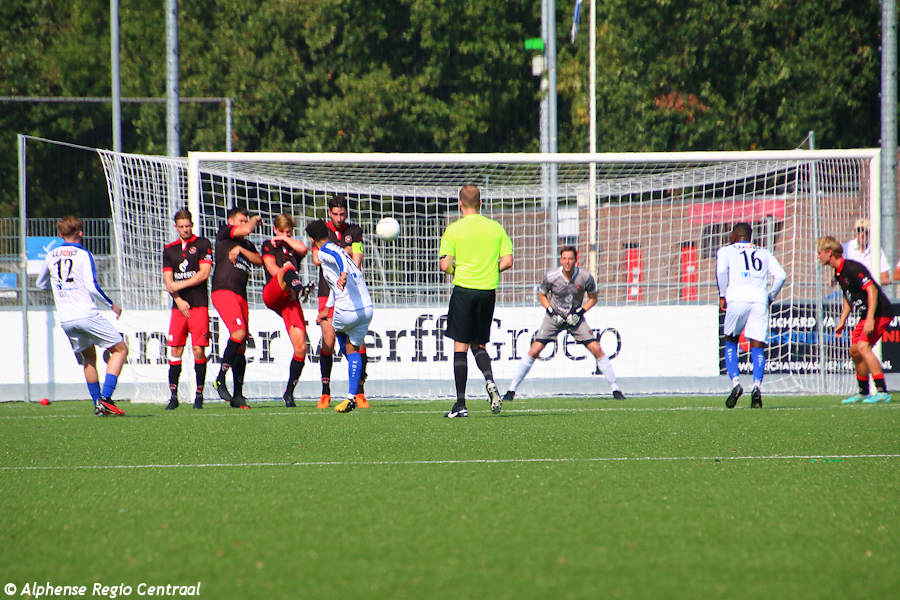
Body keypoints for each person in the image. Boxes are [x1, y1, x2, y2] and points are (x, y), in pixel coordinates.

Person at [503, 246, 624, 402]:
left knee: (596, 348)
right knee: (535, 349)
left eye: (570, 259)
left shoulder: (585, 277)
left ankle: (615, 388)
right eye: (564, 258)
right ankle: (511, 390)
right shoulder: (551, 276)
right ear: (560, 260)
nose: (567, 262)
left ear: (575, 260)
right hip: (554, 318)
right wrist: (551, 312)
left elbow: (593, 298)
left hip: (575, 318)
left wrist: (579, 313)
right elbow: (542, 295)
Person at [36, 216, 129, 416]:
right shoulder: (84, 254)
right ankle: (105, 399)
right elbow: (92, 286)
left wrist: (60, 290)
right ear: (81, 233)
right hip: (86, 314)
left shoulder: (51, 255)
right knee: (120, 350)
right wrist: (112, 304)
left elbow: (40, 284)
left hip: (66, 318)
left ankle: (98, 404)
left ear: (60, 235)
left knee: (89, 357)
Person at [439, 184, 513, 418]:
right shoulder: (496, 228)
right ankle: (489, 380)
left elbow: (444, 265)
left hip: (464, 290)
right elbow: (508, 261)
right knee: (478, 344)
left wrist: (457, 270)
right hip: (487, 291)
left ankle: (461, 404)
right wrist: (489, 270)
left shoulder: (454, 229)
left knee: (460, 346)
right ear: (481, 203)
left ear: (459, 204)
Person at [305, 219, 373, 413]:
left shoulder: (325, 250)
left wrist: (343, 273)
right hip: (367, 308)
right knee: (355, 349)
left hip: (348, 310)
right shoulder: (340, 248)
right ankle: (353, 393)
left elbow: (338, 258)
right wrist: (327, 308)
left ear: (312, 240)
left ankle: (354, 373)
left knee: (340, 339)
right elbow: (335, 285)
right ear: (327, 233)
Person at [716, 222, 786, 409]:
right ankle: (756, 386)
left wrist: (722, 295)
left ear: (734, 236)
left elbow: (721, 272)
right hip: (759, 300)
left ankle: (736, 383)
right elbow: (781, 275)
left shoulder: (726, 251)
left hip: (737, 299)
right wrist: (770, 296)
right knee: (758, 345)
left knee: (731, 340)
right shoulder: (763, 252)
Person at [816, 236, 893, 404]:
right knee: (855, 350)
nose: (818, 256)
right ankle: (863, 392)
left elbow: (872, 290)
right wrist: (843, 320)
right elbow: (848, 296)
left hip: (880, 312)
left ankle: (882, 391)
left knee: (863, 347)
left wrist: (871, 318)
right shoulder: (838, 273)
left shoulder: (851, 268)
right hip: (866, 314)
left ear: (829, 252)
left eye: (820, 253)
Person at [211, 207, 263, 409]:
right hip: (224, 291)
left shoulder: (246, 245)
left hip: (241, 296)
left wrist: (241, 251)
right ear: (231, 222)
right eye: (240, 221)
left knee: (241, 345)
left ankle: (238, 395)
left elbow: (258, 261)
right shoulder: (225, 233)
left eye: (245, 220)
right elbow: (247, 229)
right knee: (238, 332)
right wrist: (254, 220)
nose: (244, 224)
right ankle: (220, 378)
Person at [162, 209, 212, 410]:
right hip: (178, 307)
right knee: (176, 350)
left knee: (199, 350)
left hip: (198, 304)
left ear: (192, 225)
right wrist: (178, 299)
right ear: (176, 227)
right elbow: (168, 281)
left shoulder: (203, 244)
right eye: (181, 226)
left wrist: (179, 286)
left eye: (188, 226)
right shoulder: (169, 250)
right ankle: (173, 396)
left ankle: (199, 395)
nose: (185, 229)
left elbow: (203, 274)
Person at [261, 213, 311, 407]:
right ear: (275, 230)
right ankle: (300, 289)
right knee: (287, 267)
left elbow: (304, 249)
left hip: (290, 299)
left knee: (301, 348)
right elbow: (271, 268)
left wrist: (286, 239)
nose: (285, 235)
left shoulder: (293, 247)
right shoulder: (268, 245)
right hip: (273, 293)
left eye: (288, 232)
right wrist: (290, 284)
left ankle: (289, 392)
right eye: (281, 232)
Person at [843, 218, 890, 285]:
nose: (862, 234)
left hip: (871, 288)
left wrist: (867, 283)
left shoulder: (876, 249)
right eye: (859, 231)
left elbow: (885, 277)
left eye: (866, 231)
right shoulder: (846, 248)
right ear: (855, 232)